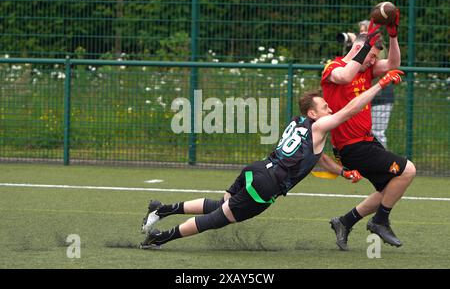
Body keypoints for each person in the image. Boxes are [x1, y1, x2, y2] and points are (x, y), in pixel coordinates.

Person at [138, 70, 404, 249]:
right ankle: (159, 239)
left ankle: (161, 209)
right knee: (218, 218)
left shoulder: (299, 124)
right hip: (267, 184)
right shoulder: (319, 127)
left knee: (221, 205)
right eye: (325, 107)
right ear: (312, 113)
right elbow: (349, 110)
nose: (330, 109)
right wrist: (379, 84)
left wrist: (343, 172)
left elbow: (317, 159)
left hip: (256, 170)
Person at [321, 11, 416, 251]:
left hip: (366, 141)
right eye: (372, 55)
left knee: (388, 189)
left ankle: (344, 221)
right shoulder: (334, 67)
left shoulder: (366, 69)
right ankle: (380, 222)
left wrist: (392, 35)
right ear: (359, 50)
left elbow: (393, 64)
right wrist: (366, 46)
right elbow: (344, 76)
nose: (374, 61)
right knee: (408, 170)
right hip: (351, 146)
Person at [359, 20, 394, 148]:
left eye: (365, 31)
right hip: (365, 95)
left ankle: (383, 162)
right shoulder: (360, 46)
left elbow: (381, 65)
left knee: (377, 132)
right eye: (361, 31)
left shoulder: (379, 48)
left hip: (381, 96)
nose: (362, 33)